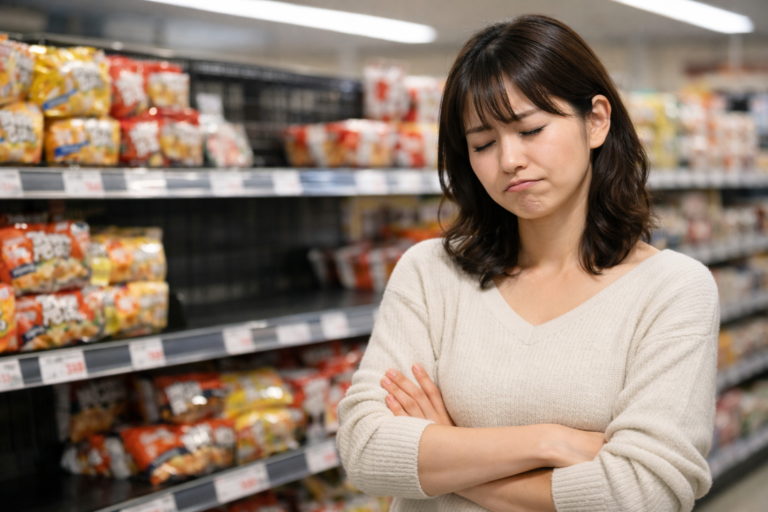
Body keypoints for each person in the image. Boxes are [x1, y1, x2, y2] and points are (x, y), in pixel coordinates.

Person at [336, 14, 719, 512]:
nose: (509, 159)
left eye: (531, 129)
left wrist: (447, 453)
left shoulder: (672, 289)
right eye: (483, 143)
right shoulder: (430, 272)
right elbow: (365, 450)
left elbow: (642, 493)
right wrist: (550, 442)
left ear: (597, 120)